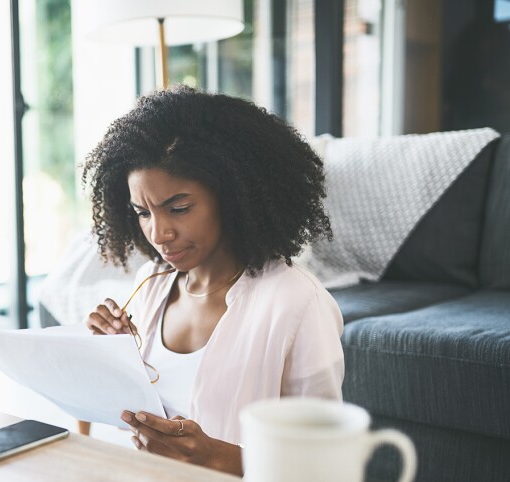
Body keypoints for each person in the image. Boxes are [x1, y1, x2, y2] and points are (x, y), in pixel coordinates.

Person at [82, 85, 344, 476]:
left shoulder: (295, 303)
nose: (158, 233)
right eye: (143, 212)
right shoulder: (150, 286)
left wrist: (214, 457)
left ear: (234, 195)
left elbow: (325, 464)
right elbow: (103, 432)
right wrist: (108, 359)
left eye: (179, 208)